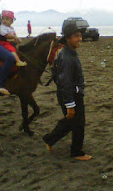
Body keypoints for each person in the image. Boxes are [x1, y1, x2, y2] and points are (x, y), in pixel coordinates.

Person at [42, 21, 92, 161]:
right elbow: (65, 83)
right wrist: (70, 105)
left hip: (71, 94)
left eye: (80, 35)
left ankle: (49, 139)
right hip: (70, 96)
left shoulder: (69, 52)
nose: (80, 39)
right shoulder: (66, 56)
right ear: (68, 38)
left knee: (71, 122)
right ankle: (76, 152)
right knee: (78, 124)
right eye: (76, 36)